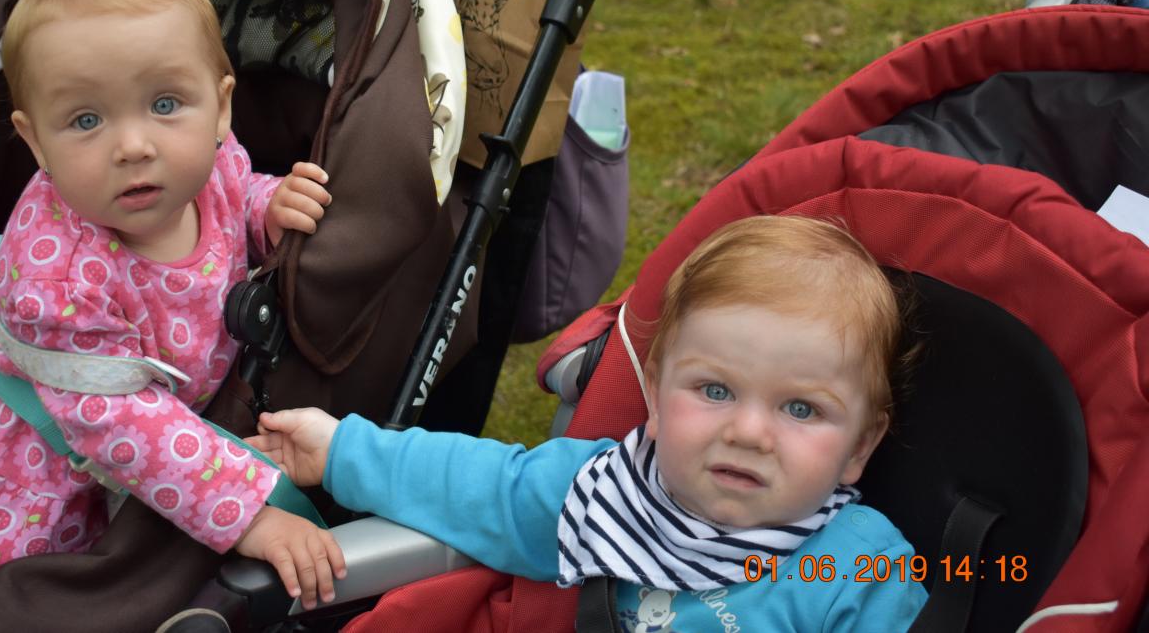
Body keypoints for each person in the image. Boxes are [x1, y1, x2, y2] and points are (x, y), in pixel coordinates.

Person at [0, 0, 345, 608]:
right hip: (47, 450)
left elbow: (236, 192)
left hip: (153, 430)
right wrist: (248, 512)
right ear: (35, 140)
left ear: (220, 108)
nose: (134, 145)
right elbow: (118, 423)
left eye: (165, 103)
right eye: (86, 120)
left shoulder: (211, 162)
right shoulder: (58, 284)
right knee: (35, 587)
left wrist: (267, 209)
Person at [247, 215, 929, 631]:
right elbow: (475, 485)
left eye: (801, 408)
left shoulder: (860, 570)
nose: (749, 432)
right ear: (655, 399)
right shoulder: (600, 489)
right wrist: (340, 449)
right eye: (716, 389)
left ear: (858, 447)